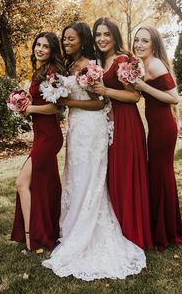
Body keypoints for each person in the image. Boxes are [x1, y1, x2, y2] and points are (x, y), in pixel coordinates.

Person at [42, 22, 146, 280]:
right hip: (77, 129)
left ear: (82, 40)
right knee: (77, 178)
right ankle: (75, 227)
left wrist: (66, 101)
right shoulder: (72, 65)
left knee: (90, 179)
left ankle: (87, 233)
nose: (66, 43)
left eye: (71, 39)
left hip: (91, 128)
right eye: (64, 39)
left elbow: (99, 103)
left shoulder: (89, 65)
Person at [92, 17, 153, 250]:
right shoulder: (100, 60)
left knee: (126, 174)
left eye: (106, 34)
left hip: (126, 122)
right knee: (113, 175)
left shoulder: (123, 60)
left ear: (115, 35)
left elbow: (134, 96)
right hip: (108, 122)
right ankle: (119, 226)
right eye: (98, 34)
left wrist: (105, 89)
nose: (102, 38)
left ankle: (133, 231)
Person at [133, 25, 182, 251]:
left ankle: (166, 232)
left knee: (160, 174)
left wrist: (142, 85)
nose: (139, 45)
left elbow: (174, 98)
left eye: (145, 41)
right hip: (156, 127)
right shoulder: (144, 64)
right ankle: (161, 227)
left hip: (164, 128)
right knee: (157, 174)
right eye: (136, 40)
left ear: (154, 43)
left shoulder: (154, 64)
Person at [11, 32, 65, 251]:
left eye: (46, 46)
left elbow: (56, 107)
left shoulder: (53, 72)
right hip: (40, 135)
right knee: (46, 186)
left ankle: (31, 237)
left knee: (22, 182)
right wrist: (21, 105)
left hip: (49, 137)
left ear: (52, 51)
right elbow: (38, 102)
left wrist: (30, 108)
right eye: (38, 44)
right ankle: (50, 230)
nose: (40, 49)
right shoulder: (39, 72)